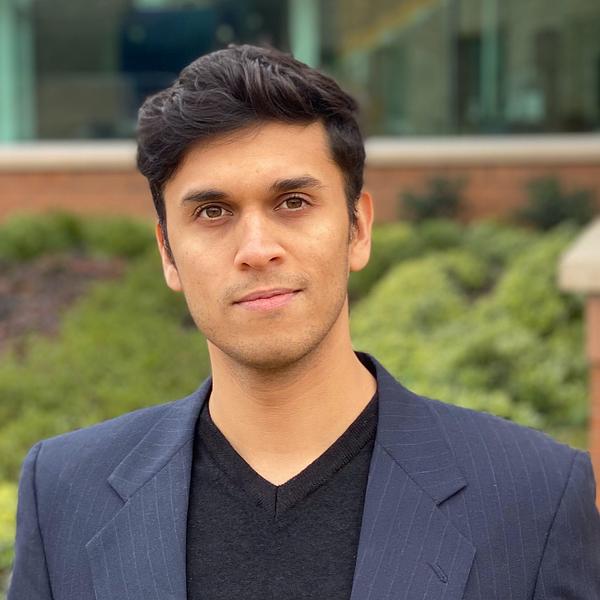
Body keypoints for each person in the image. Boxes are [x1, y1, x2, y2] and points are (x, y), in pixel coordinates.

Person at [9, 44, 600, 600]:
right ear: (168, 253)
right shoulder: (64, 492)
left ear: (358, 229)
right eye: (212, 212)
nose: (256, 249)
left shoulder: (535, 496)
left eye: (293, 202)